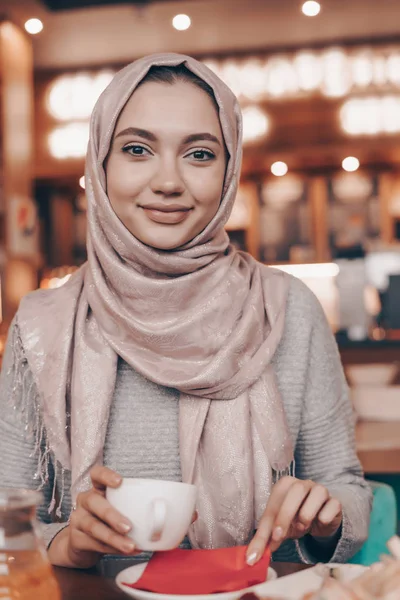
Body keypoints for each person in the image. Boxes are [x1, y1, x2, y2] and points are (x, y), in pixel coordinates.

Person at [0, 53, 371, 573]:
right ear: (100, 163)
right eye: (136, 149)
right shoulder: (41, 326)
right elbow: (6, 523)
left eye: (199, 154)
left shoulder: (287, 308)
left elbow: (347, 488)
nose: (169, 181)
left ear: (228, 172)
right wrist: (66, 543)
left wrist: (326, 514)